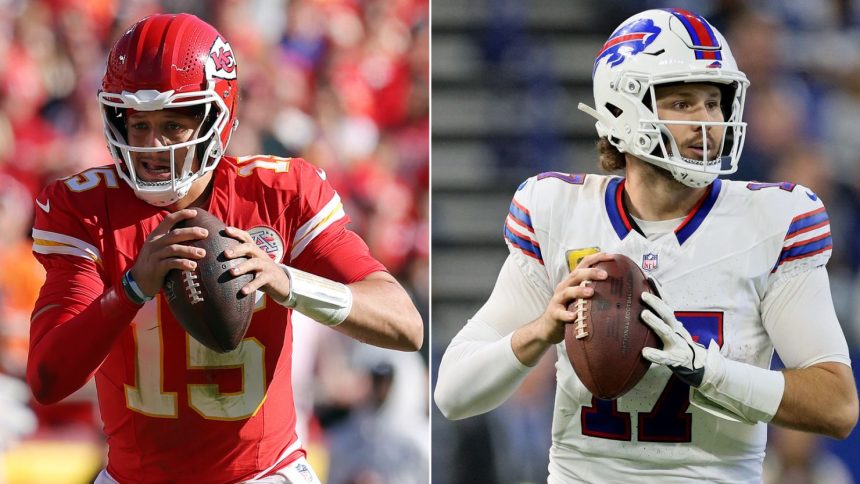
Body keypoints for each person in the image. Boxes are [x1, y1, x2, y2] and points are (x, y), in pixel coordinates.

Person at [434, 8, 858, 482]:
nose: (707, 123)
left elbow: (837, 405)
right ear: (622, 109)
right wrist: (540, 330)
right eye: (682, 104)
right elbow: (453, 393)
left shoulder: (771, 221)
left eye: (714, 103)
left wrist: (709, 371)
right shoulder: (559, 210)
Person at [26, 13, 423, 484]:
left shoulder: (280, 193)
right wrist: (131, 288)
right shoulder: (85, 209)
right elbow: (49, 378)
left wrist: (286, 281)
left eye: (173, 124)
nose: (153, 146)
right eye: (138, 125)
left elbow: (405, 325)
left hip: (264, 474)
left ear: (218, 117)